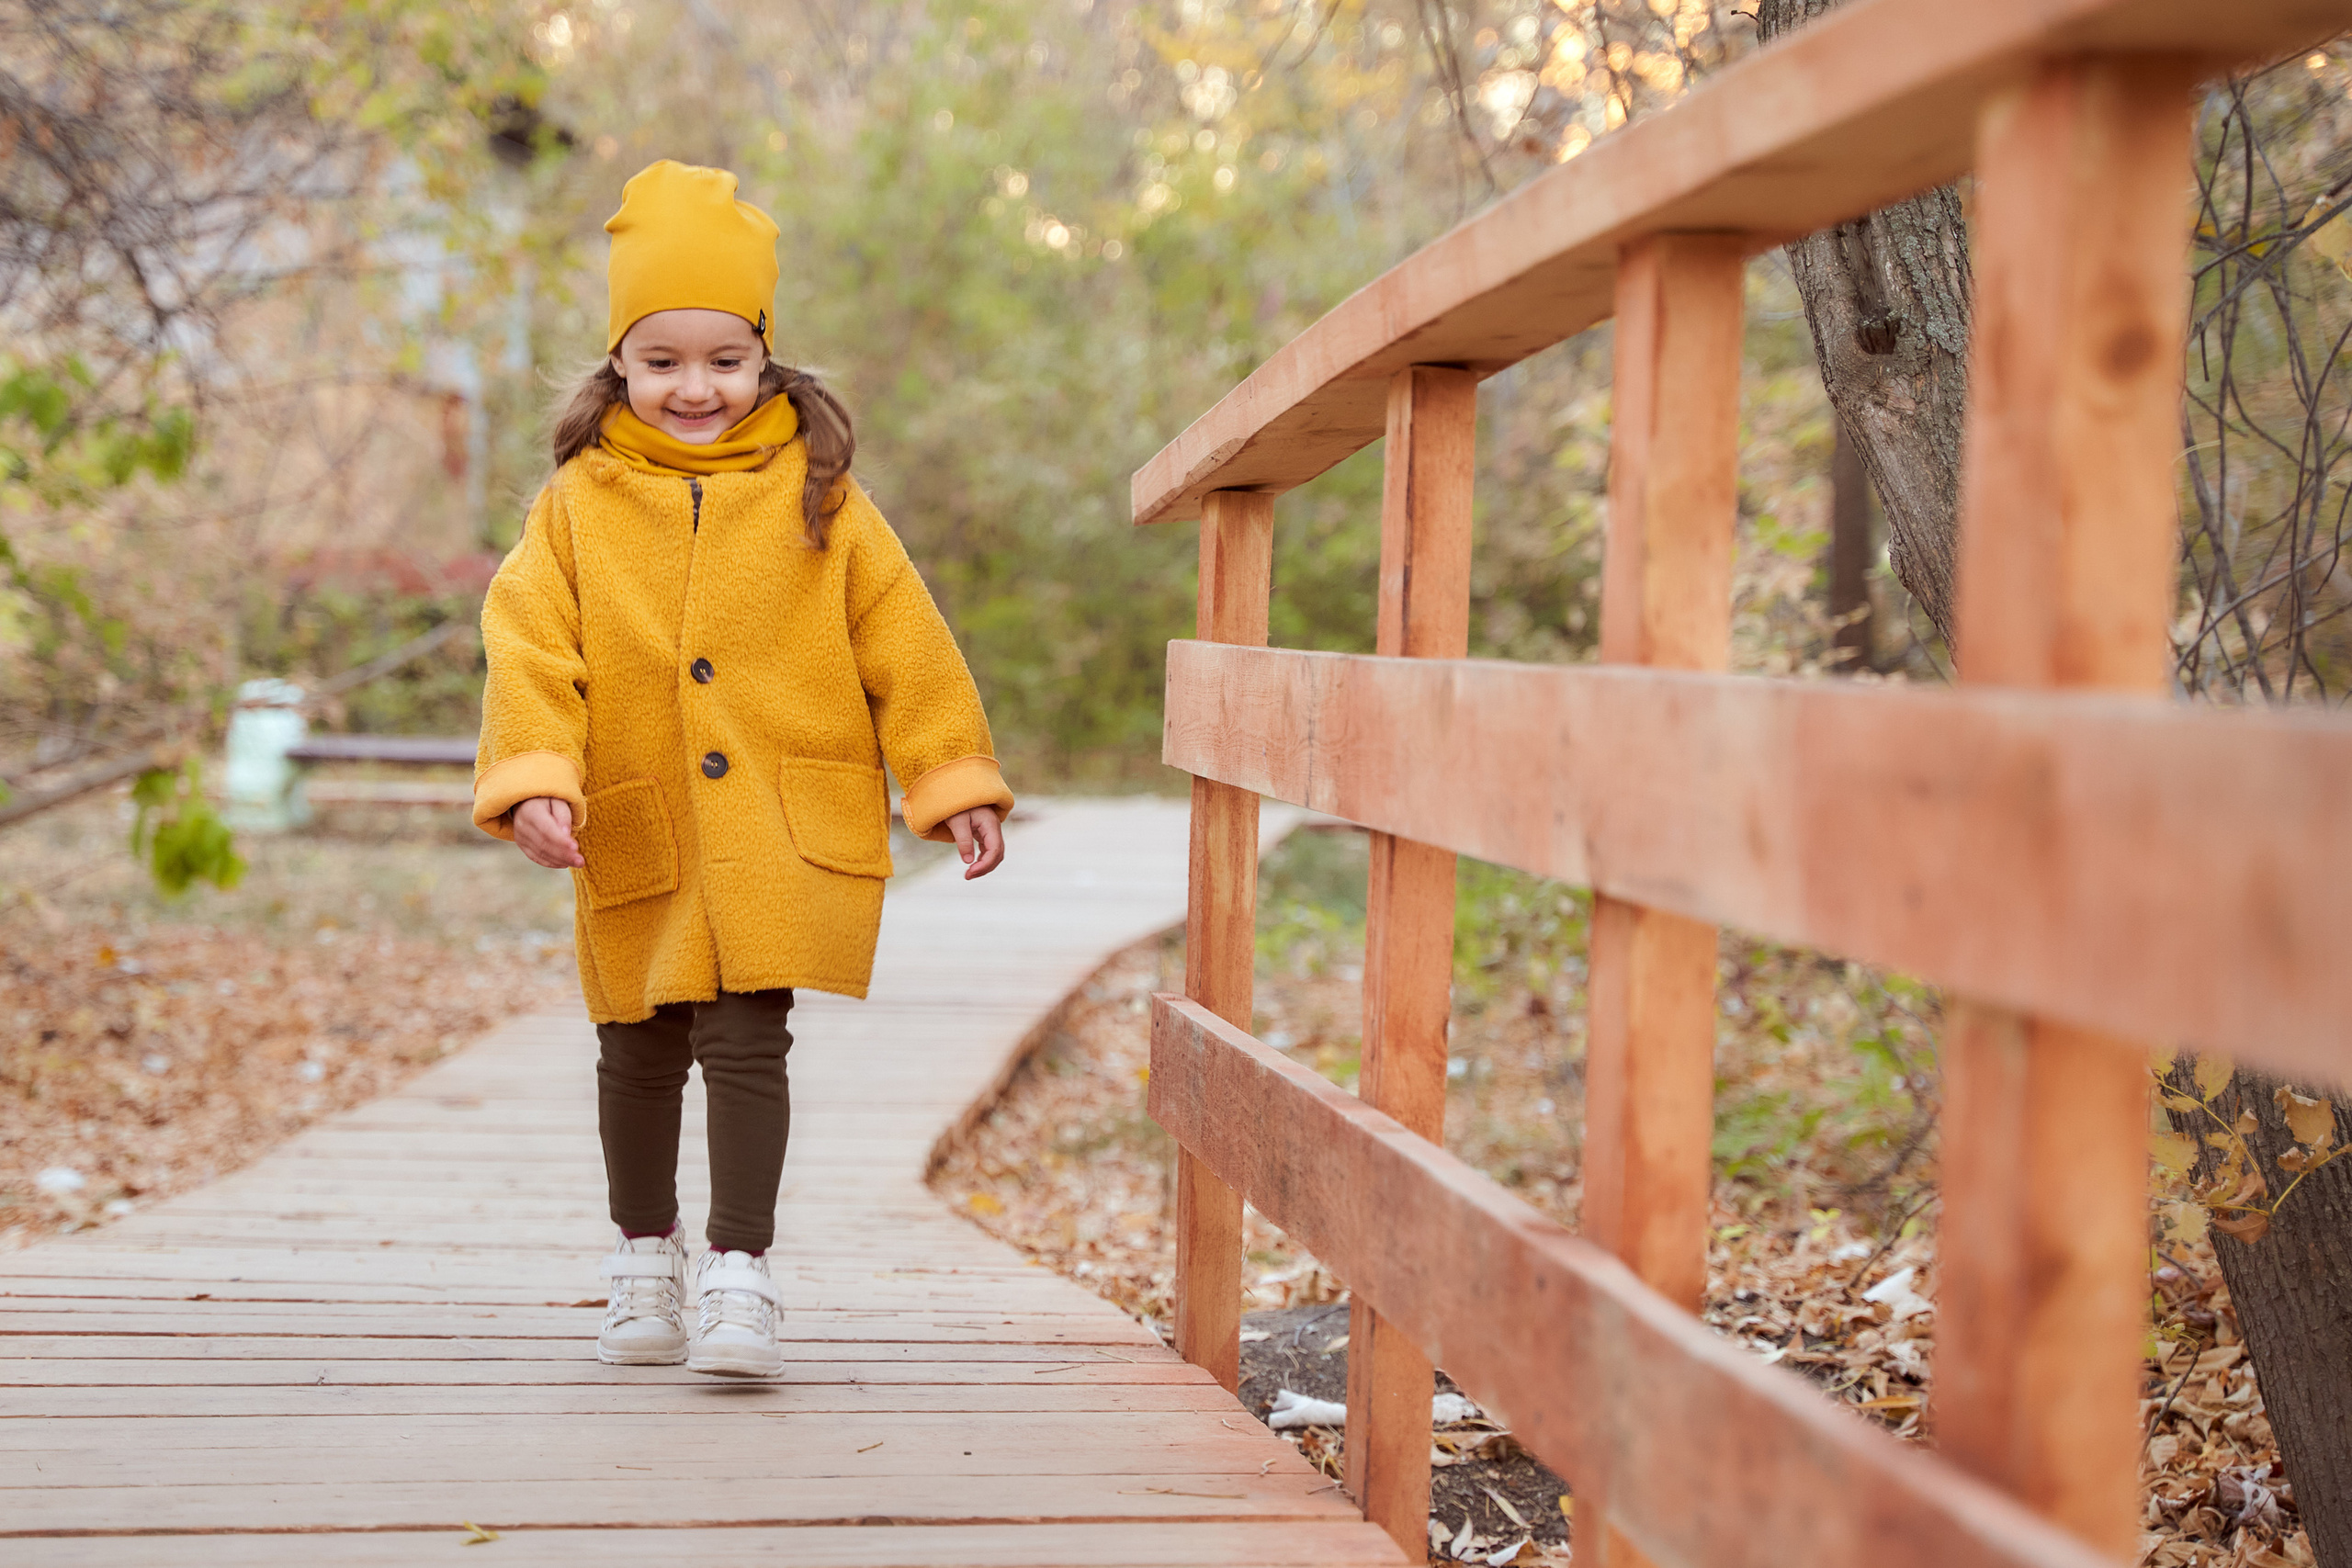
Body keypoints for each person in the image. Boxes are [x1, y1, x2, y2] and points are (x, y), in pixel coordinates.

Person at [471, 161, 1012, 1378]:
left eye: (723, 358)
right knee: (636, 1044)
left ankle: (739, 1272)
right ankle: (641, 1257)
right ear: (620, 362)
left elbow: (902, 634)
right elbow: (527, 640)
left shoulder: (821, 496)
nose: (694, 387)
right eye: (662, 361)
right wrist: (537, 771)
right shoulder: (577, 505)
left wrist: (953, 777)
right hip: (638, 817)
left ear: (765, 355)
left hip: (772, 820)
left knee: (747, 1037)